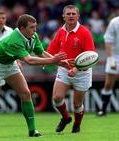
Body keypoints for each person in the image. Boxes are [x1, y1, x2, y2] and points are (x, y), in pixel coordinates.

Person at [0, 14, 69, 137]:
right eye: (32, 27)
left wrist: (59, 62)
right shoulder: (15, 39)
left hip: (9, 64)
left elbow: (41, 52)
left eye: (35, 27)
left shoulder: (33, 36)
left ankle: (32, 130)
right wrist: (53, 61)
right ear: (22, 29)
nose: (35, 30)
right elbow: (29, 60)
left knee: (26, 93)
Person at [47, 5, 96, 133]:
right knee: (57, 97)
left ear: (78, 16)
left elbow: (91, 57)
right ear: (63, 16)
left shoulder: (85, 32)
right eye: (68, 14)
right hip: (64, 69)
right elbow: (50, 51)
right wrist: (50, 60)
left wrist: (77, 69)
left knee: (77, 104)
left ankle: (77, 125)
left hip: (82, 72)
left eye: (73, 14)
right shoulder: (60, 32)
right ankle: (66, 118)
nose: (71, 16)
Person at [97, 2, 119, 116]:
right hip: (116, 56)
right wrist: (110, 59)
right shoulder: (114, 22)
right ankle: (103, 109)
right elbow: (108, 41)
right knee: (108, 84)